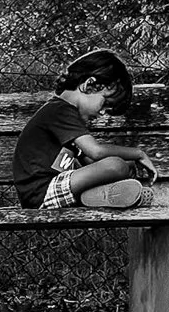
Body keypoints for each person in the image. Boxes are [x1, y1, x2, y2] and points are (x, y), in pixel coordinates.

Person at [12, 49, 159, 210]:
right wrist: (138, 154)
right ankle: (96, 194)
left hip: (56, 187)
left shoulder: (68, 115)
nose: (103, 113)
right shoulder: (60, 110)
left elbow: (89, 161)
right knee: (116, 165)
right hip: (42, 192)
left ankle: (97, 195)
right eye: (105, 104)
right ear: (89, 85)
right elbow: (96, 152)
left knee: (124, 165)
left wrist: (128, 165)